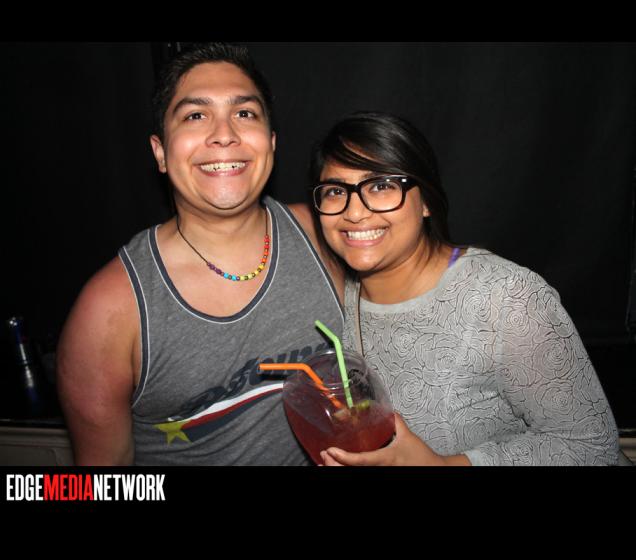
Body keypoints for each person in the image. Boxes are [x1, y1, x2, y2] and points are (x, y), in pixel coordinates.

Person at [56, 43, 344, 465]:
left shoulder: (328, 236)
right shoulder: (109, 311)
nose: (224, 134)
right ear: (160, 152)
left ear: (271, 143)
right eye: (195, 115)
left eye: (244, 113)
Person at [309, 110, 620, 466]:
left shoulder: (506, 297)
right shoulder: (335, 294)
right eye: (335, 191)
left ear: (426, 200)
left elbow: (592, 446)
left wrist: (446, 465)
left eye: (381, 186)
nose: (354, 212)